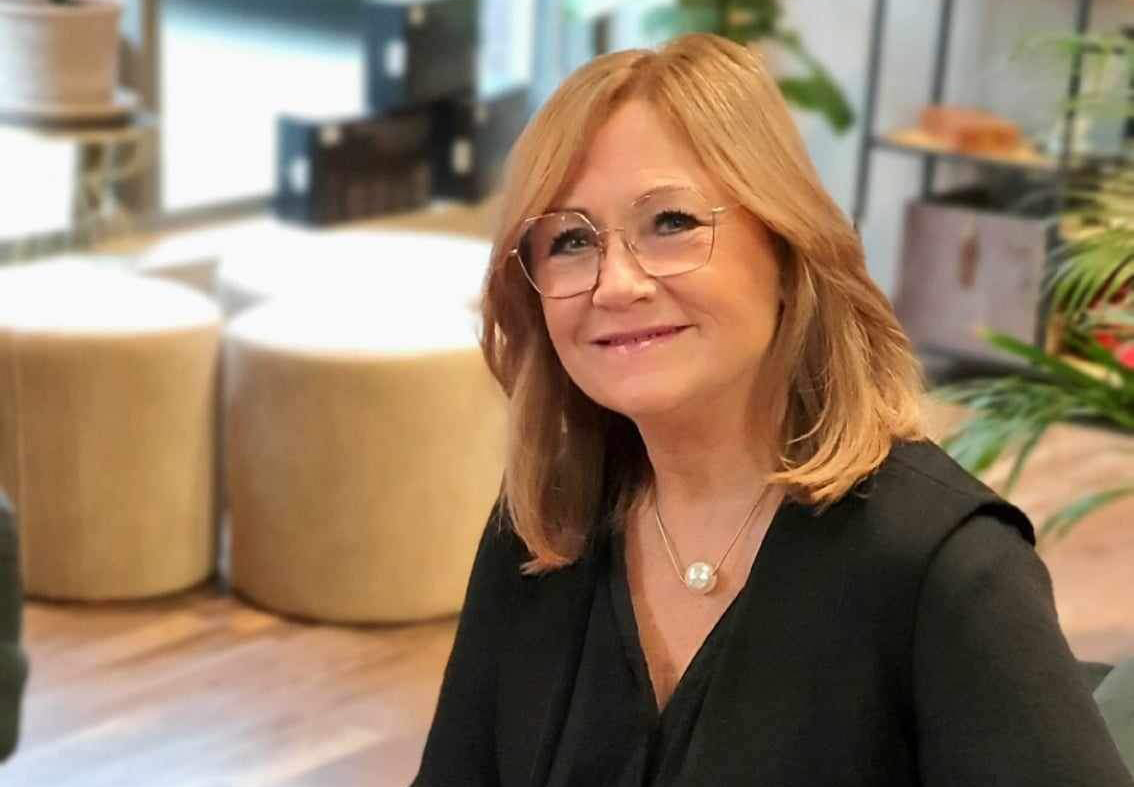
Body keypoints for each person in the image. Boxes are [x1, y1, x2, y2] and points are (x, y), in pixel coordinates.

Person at [411, 33, 1133, 786]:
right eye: (569, 240)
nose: (616, 283)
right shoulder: (543, 526)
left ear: (788, 251)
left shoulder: (947, 568)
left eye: (671, 223)